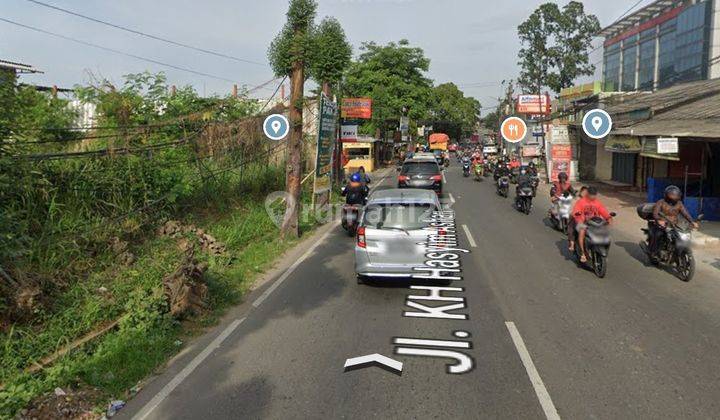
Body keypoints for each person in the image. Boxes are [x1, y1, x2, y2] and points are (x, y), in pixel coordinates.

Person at [649, 185, 699, 256]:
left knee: (680, 237)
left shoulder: (679, 203)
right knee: (658, 235)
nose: (674, 198)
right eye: (672, 196)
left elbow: (685, 213)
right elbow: (655, 213)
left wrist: (692, 222)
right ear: (666, 195)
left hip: (674, 225)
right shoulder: (661, 202)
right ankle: (653, 252)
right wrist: (659, 220)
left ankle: (675, 251)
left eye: (676, 196)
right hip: (662, 225)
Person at [572, 187, 612, 263]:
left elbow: (603, 211)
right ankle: (583, 253)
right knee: (582, 232)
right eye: (591, 195)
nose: (593, 197)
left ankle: (605, 253)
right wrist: (579, 218)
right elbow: (576, 212)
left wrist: (608, 218)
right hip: (583, 222)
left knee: (607, 237)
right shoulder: (581, 202)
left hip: (595, 223)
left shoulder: (597, 203)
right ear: (588, 194)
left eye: (594, 195)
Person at [567, 186, 588, 252]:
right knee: (571, 226)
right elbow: (571, 210)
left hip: (588, 219)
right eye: (584, 191)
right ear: (581, 192)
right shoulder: (576, 199)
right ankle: (572, 244)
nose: (585, 193)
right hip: (577, 218)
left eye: (586, 192)